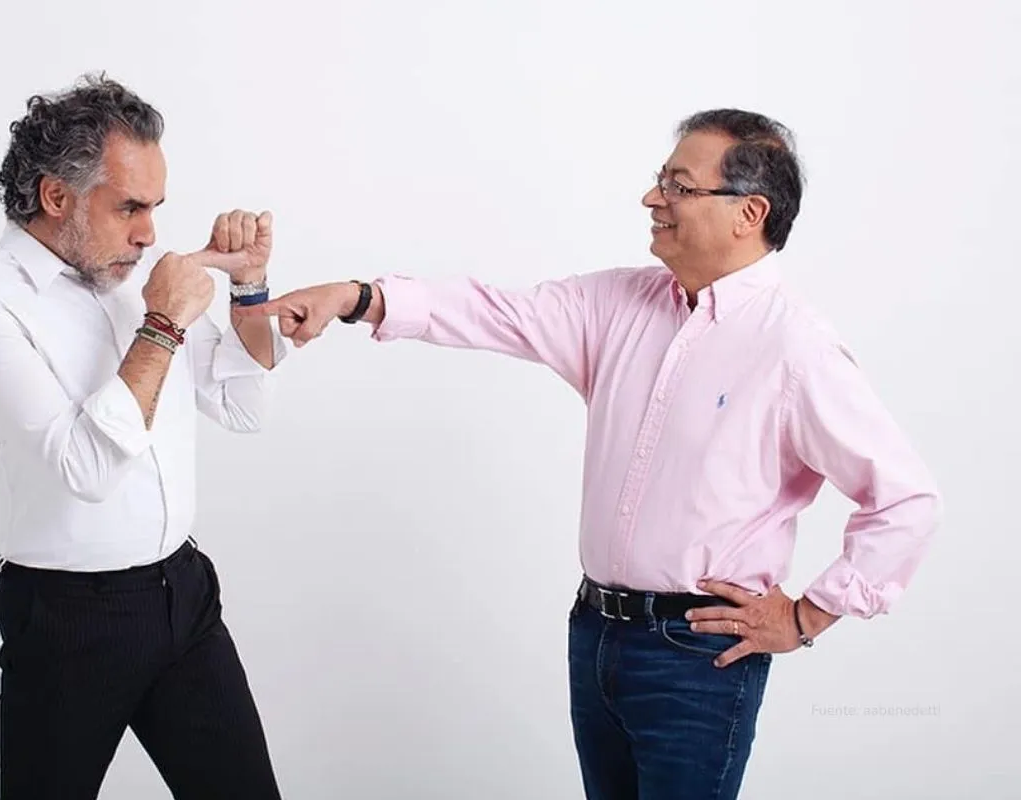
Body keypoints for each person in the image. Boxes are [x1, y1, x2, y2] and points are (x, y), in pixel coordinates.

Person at [237, 109, 942, 799]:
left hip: (699, 657)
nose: (652, 198)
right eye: (660, 179)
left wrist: (807, 616)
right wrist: (357, 298)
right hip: (596, 634)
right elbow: (492, 311)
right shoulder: (619, 302)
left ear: (748, 213)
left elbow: (906, 501)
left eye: (678, 186)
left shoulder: (795, 348)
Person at [0, 73, 286, 799]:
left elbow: (241, 404)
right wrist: (162, 323)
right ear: (55, 196)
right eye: (129, 206)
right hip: (68, 622)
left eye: (155, 207)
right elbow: (85, 468)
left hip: (184, 596)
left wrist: (248, 287)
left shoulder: (133, 273)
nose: (149, 234)